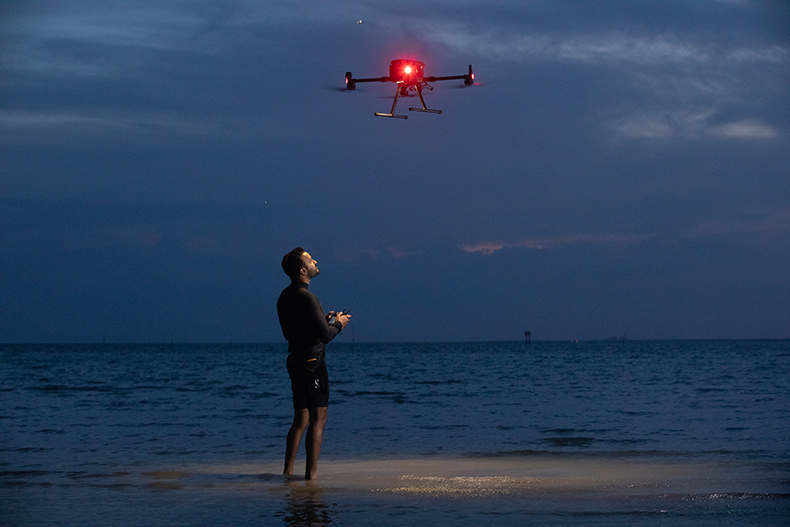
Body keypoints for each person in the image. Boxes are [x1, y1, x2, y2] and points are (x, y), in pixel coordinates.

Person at [276, 247, 351, 480]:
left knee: (301, 418)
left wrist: (326, 321)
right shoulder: (308, 297)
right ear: (302, 269)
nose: (315, 261)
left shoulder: (284, 296)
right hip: (312, 363)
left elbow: (294, 332)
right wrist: (338, 324)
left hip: (295, 361)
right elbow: (326, 336)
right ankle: (312, 477)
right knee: (318, 418)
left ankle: (288, 473)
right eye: (310, 260)